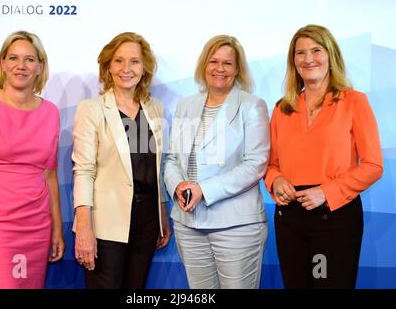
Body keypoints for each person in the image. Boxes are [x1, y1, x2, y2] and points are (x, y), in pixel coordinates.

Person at [264, 24, 383, 289]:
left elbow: (374, 165)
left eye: (316, 50)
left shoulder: (353, 101)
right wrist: (277, 181)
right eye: (300, 53)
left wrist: (326, 192)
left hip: (334, 218)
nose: (308, 59)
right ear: (293, 61)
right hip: (290, 218)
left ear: (330, 56)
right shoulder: (282, 108)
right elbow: (271, 165)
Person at [163, 35, 270, 289]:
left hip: (236, 226)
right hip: (188, 223)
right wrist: (179, 186)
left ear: (237, 69)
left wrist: (204, 190)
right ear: (204, 65)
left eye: (227, 63)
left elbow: (255, 163)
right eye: (213, 61)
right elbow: (171, 159)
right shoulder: (185, 105)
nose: (219, 69)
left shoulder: (252, 105)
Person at [0, 31, 64, 289]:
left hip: (37, 227)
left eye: (30, 59)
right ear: (3, 63)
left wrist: (56, 229)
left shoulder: (51, 112)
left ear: (40, 66)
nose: (21, 66)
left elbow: (49, 175)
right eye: (14, 58)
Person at [72, 32, 171, 289]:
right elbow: (83, 170)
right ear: (108, 66)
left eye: (135, 62)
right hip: (106, 223)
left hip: (147, 220)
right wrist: (84, 228)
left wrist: (162, 215)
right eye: (118, 61)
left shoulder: (155, 108)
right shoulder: (91, 108)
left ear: (144, 67)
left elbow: (155, 168)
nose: (126, 69)